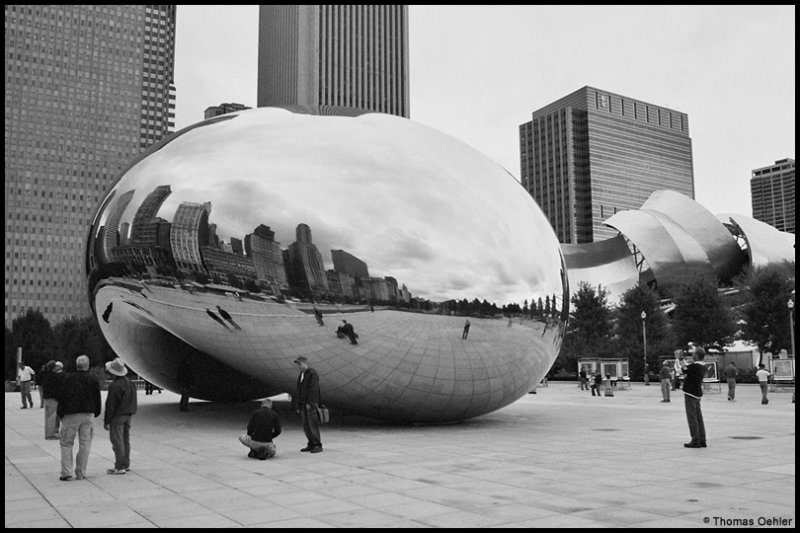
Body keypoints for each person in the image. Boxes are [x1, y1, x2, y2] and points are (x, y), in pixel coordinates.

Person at [56, 355, 102, 481]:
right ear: (87, 366)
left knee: (66, 443)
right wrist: (96, 412)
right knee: (85, 444)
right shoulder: (93, 380)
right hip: (88, 414)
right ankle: (81, 472)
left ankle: (67, 472)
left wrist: (60, 413)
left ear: (76, 365)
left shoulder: (68, 379)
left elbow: (62, 397)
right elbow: (97, 398)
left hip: (71, 414)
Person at [103, 358, 138, 475]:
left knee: (117, 441)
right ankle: (126, 463)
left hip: (118, 416)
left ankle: (120, 466)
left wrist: (107, 420)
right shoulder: (130, 383)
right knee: (125, 440)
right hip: (128, 414)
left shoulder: (115, 386)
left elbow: (110, 405)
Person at [294, 356, 323, 453]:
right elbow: (298, 391)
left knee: (313, 424)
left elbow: (314, 389)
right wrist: (297, 405)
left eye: (299, 364)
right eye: (297, 364)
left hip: (309, 404)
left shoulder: (312, 373)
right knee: (305, 425)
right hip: (302, 404)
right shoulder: (301, 375)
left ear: (305, 363)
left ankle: (317, 444)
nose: (298, 366)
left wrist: (311, 403)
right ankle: (310, 443)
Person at [681, 347, 707, 448]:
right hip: (697, 393)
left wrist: (680, 360)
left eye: (693, 354)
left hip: (690, 393)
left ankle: (695, 439)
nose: (692, 355)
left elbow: (684, 370)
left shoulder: (695, 366)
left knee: (692, 417)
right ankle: (702, 439)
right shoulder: (702, 366)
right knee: (699, 417)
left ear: (697, 355)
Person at [42, 361, 65, 439]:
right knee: (52, 416)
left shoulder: (45, 375)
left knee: (47, 416)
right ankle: (51, 434)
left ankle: (47, 433)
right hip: (53, 398)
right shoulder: (54, 376)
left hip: (46, 397)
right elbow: (56, 388)